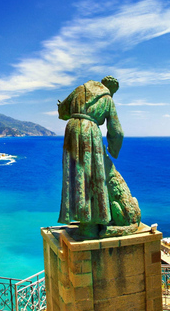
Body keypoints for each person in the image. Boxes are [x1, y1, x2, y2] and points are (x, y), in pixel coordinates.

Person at [58, 76, 140, 239]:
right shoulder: (107, 98)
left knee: (76, 176)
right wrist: (113, 149)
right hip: (89, 133)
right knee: (92, 177)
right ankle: (91, 224)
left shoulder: (79, 89)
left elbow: (63, 112)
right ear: (111, 89)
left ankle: (84, 219)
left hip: (72, 131)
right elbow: (117, 131)